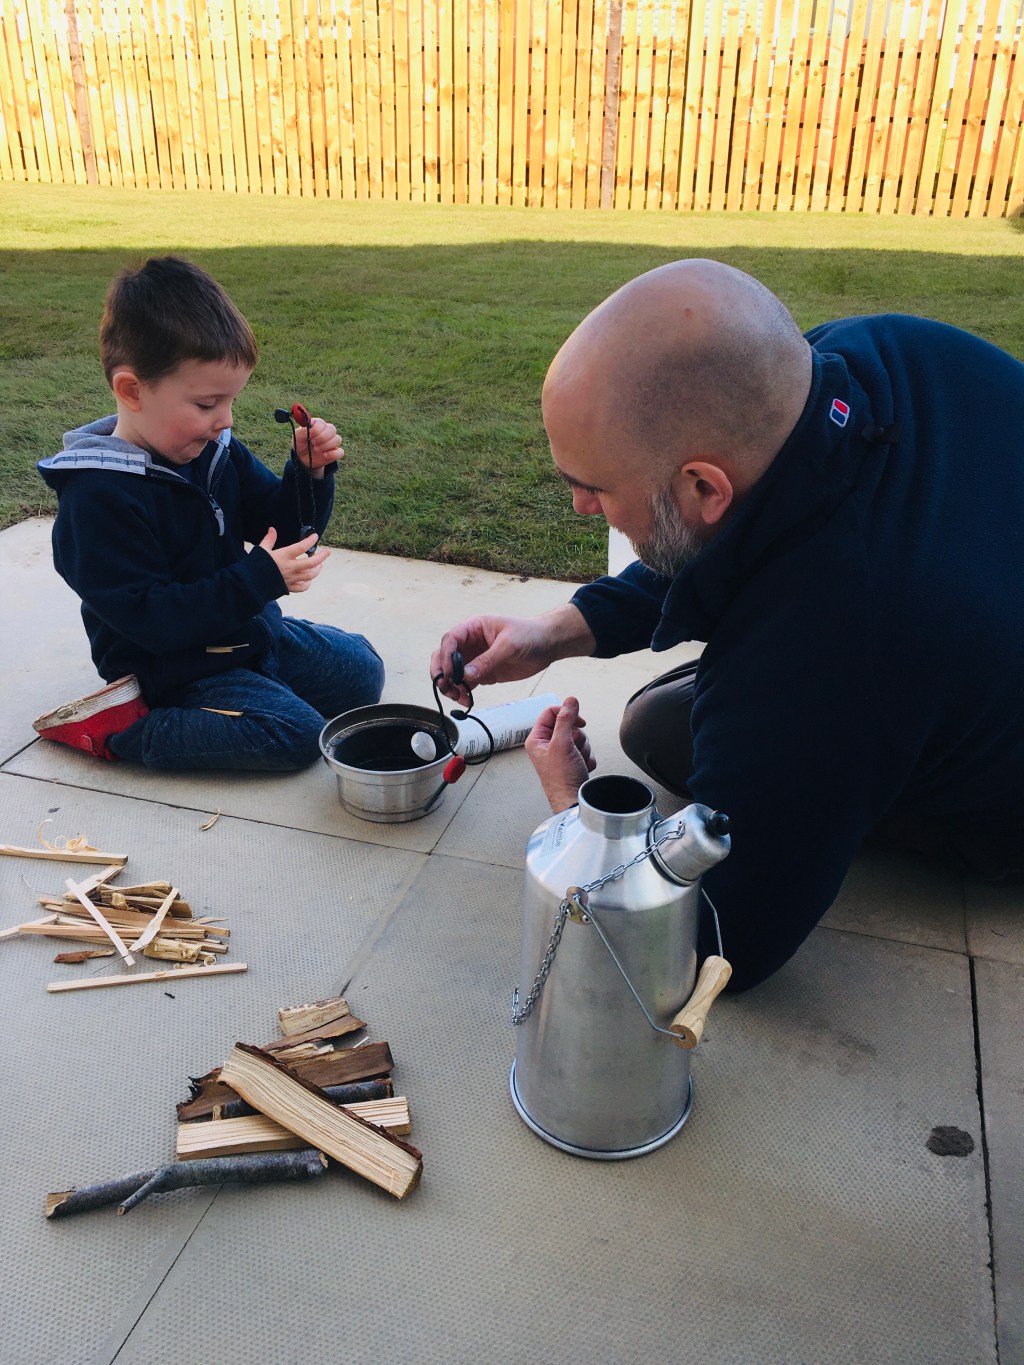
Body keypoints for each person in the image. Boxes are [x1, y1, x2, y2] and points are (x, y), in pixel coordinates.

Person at [432, 259, 1024, 992]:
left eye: (594, 487)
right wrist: (556, 630)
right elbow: (725, 535)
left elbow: (716, 944)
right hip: (975, 597)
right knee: (665, 721)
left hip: (1001, 790)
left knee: (668, 734)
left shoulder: (826, 648)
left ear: (705, 485)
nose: (583, 507)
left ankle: (880, 798)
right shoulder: (863, 357)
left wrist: (583, 822)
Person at [34, 255, 383, 770]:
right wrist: (255, 581)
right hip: (171, 665)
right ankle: (121, 729)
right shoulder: (98, 497)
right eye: (206, 404)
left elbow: (285, 531)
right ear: (131, 391)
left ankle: (261, 682)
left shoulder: (213, 452)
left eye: (231, 402)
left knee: (363, 673)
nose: (225, 421)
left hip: (245, 634)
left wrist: (307, 474)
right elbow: (152, 620)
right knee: (295, 734)